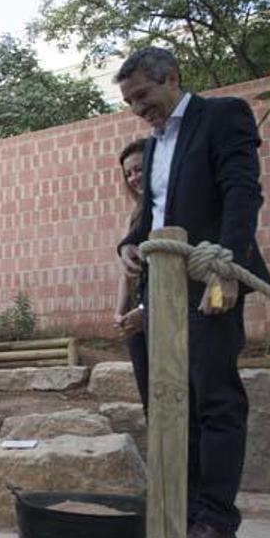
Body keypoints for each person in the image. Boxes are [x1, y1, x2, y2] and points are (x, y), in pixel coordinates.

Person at [114, 46, 270, 538]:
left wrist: (226, 268)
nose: (139, 108)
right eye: (130, 102)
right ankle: (182, 511)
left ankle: (217, 523)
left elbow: (242, 192)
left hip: (208, 280)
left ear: (172, 79)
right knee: (170, 402)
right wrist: (129, 245)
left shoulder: (222, 116)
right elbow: (152, 214)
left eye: (143, 95)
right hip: (158, 291)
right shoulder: (154, 145)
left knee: (215, 400)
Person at [112, 138, 149, 405]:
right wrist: (119, 311)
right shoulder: (135, 216)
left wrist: (146, 310)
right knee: (146, 388)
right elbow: (126, 272)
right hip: (135, 313)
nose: (134, 178)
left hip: (158, 309)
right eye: (128, 173)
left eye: (139, 169)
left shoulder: (168, 210)